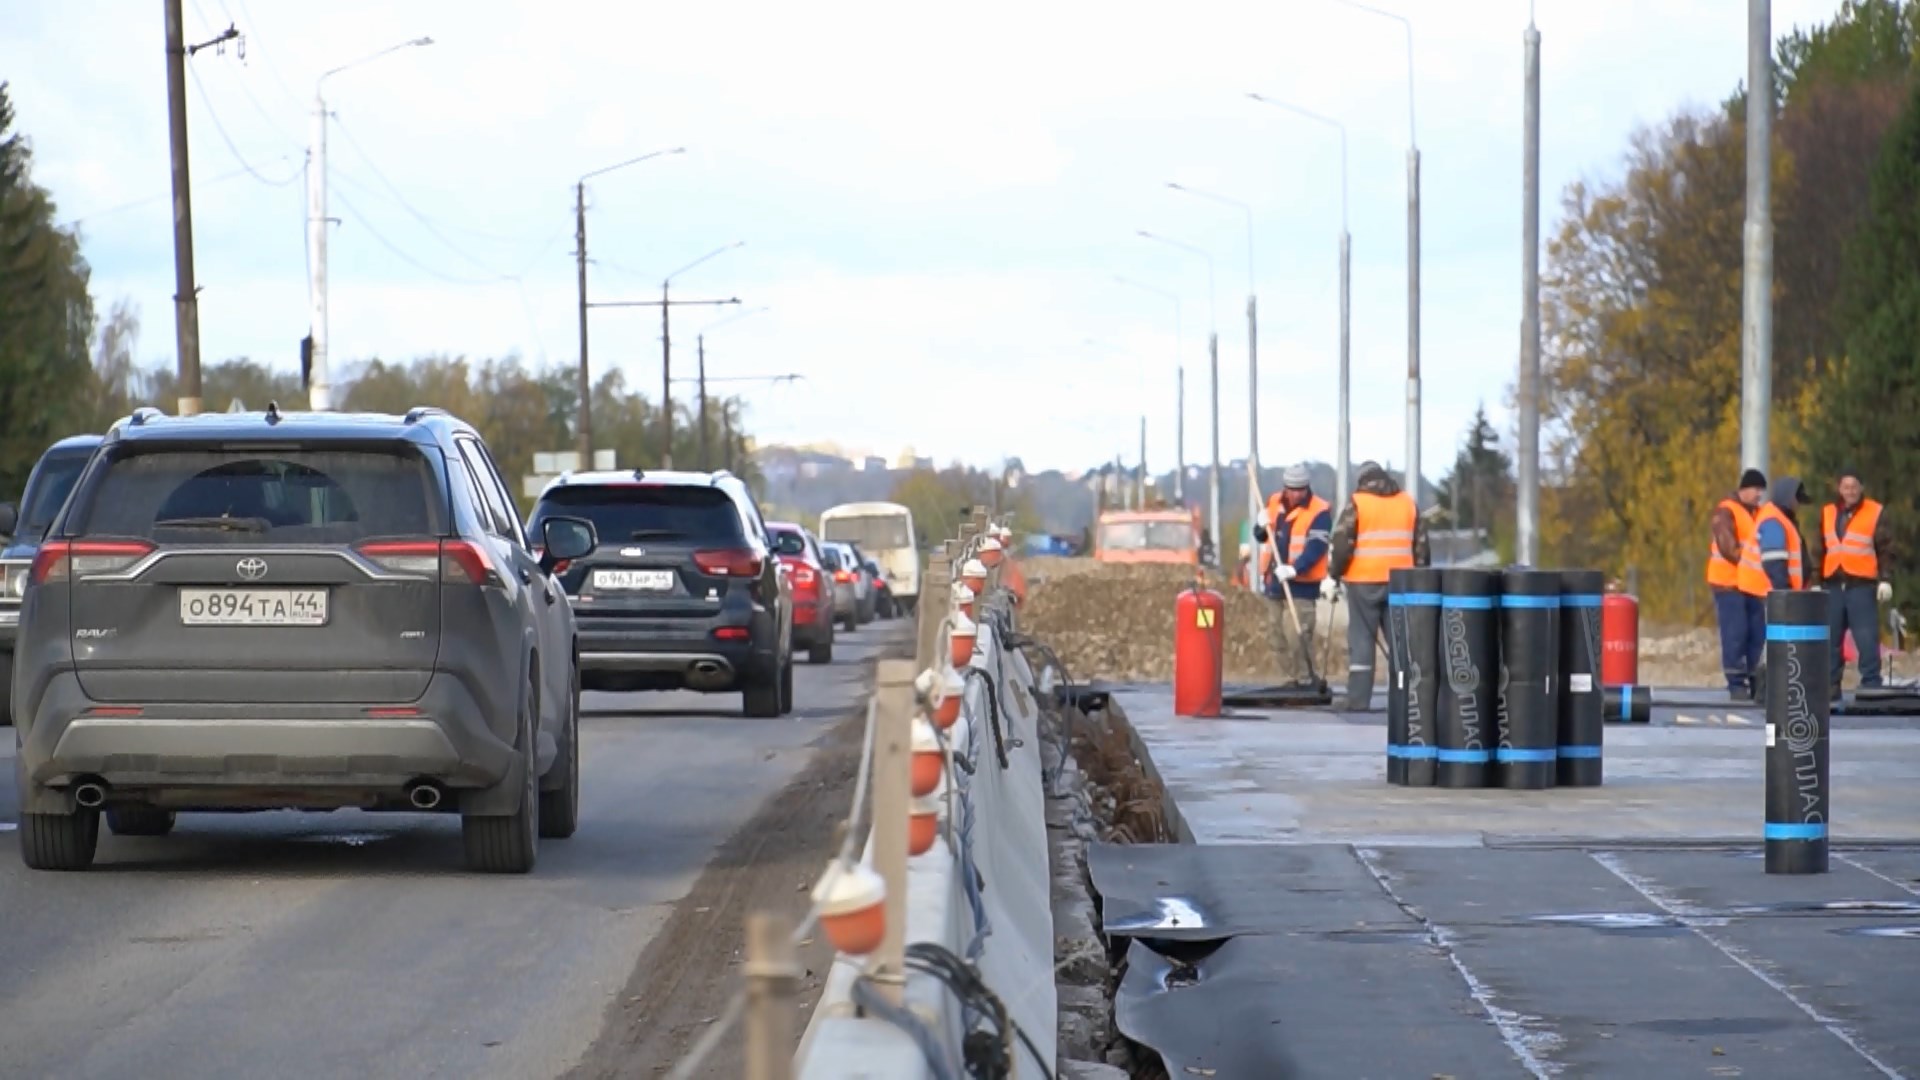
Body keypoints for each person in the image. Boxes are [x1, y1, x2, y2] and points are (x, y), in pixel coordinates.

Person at [1329, 461, 1430, 711]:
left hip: (1364, 582)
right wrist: (1421, 580)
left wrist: (1333, 575)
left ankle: (1358, 700)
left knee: (1362, 639)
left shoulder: (1358, 504)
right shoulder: (1408, 503)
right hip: (1402, 582)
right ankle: (1407, 699)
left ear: (1362, 480)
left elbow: (1342, 544)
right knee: (1402, 641)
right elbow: (1422, 547)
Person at [1252, 464, 1332, 685]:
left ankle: (1305, 678)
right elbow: (1262, 537)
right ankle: (1288, 679)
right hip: (1274, 581)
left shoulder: (1319, 511)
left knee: (1297, 634)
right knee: (1275, 634)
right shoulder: (1273, 502)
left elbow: (1316, 547)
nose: (1296, 494)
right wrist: (1259, 527)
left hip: (1301, 584)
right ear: (1285, 487)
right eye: (1292, 489)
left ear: (1307, 488)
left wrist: (1294, 569)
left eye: (1301, 489)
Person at [1821, 468, 1892, 700]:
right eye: (1845, 487)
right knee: (1830, 638)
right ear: (1839, 489)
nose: (1849, 491)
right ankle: (1830, 686)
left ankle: (1871, 683)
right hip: (1833, 584)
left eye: (1854, 487)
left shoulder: (1875, 512)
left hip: (1861, 585)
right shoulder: (1828, 513)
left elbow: (1886, 549)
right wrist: (1815, 581)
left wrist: (1885, 580)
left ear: (1861, 488)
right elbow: (1818, 549)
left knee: (1866, 636)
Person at [1741, 476, 1808, 703]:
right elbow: (1773, 561)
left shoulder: (1779, 519)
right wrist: (1785, 591)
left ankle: (1766, 690)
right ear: (1789, 498)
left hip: (1772, 591)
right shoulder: (1774, 521)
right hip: (1771, 591)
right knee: (1775, 642)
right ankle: (1765, 692)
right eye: (1797, 500)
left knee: (1774, 642)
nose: (1799, 505)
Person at [1708, 469, 1767, 701]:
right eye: (1756, 490)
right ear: (1744, 489)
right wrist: (1750, 561)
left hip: (1751, 584)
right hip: (1728, 583)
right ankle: (1736, 682)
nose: (1759, 495)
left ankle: (1753, 679)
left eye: (1761, 491)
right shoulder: (1726, 511)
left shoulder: (1759, 513)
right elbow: (1727, 545)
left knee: (1756, 634)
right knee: (1736, 632)